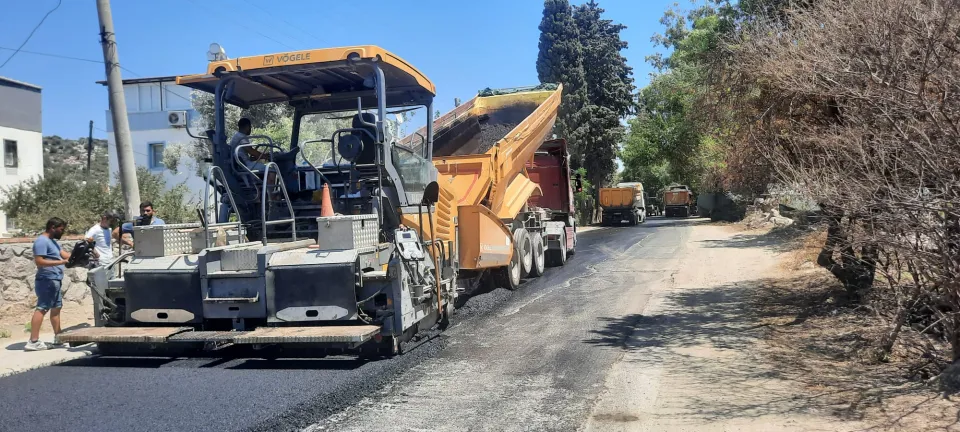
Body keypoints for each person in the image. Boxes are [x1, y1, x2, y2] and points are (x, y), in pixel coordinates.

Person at [25, 217, 72, 351]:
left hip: (55, 279)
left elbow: (66, 255)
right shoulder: (42, 241)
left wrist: (83, 252)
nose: (62, 232)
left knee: (56, 308)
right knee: (42, 308)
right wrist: (61, 262)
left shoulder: (53, 242)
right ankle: (33, 341)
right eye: (61, 229)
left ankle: (58, 337)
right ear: (52, 227)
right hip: (47, 279)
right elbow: (39, 262)